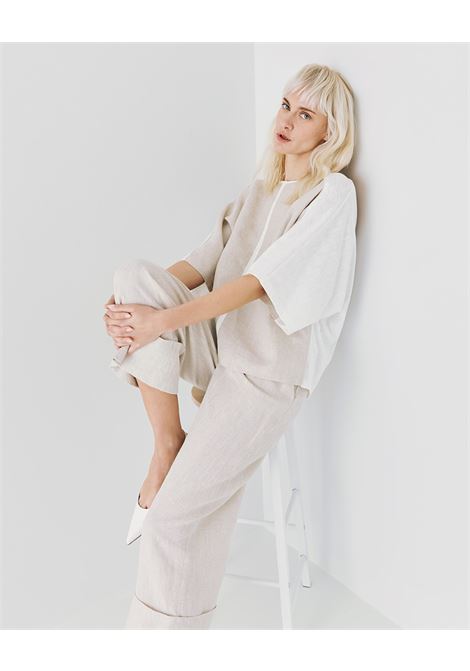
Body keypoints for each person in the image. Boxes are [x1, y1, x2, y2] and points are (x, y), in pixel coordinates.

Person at [104, 63, 358, 629]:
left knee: (171, 522)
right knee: (132, 275)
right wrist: (127, 309)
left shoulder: (332, 195)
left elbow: (257, 283)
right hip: (220, 353)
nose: (287, 120)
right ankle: (168, 444)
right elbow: (199, 264)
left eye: (306, 114)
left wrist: (159, 321)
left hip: (266, 376)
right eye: (286, 105)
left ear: (330, 132)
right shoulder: (259, 189)